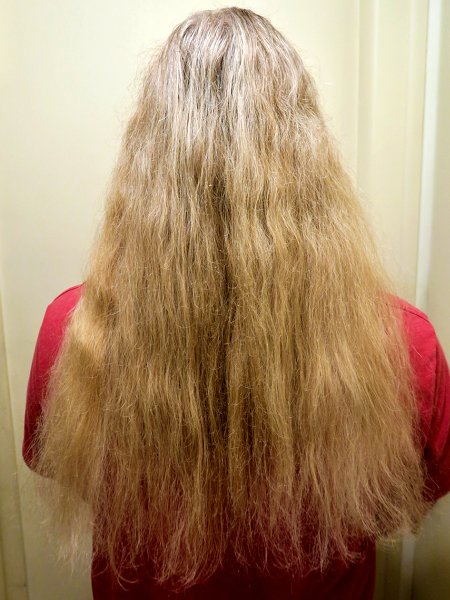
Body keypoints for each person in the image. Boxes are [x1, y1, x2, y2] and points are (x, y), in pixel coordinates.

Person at [23, 7, 450, 599]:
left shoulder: (71, 333)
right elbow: (403, 501)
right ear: (312, 160)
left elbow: (64, 469)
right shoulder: (405, 346)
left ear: (145, 160)